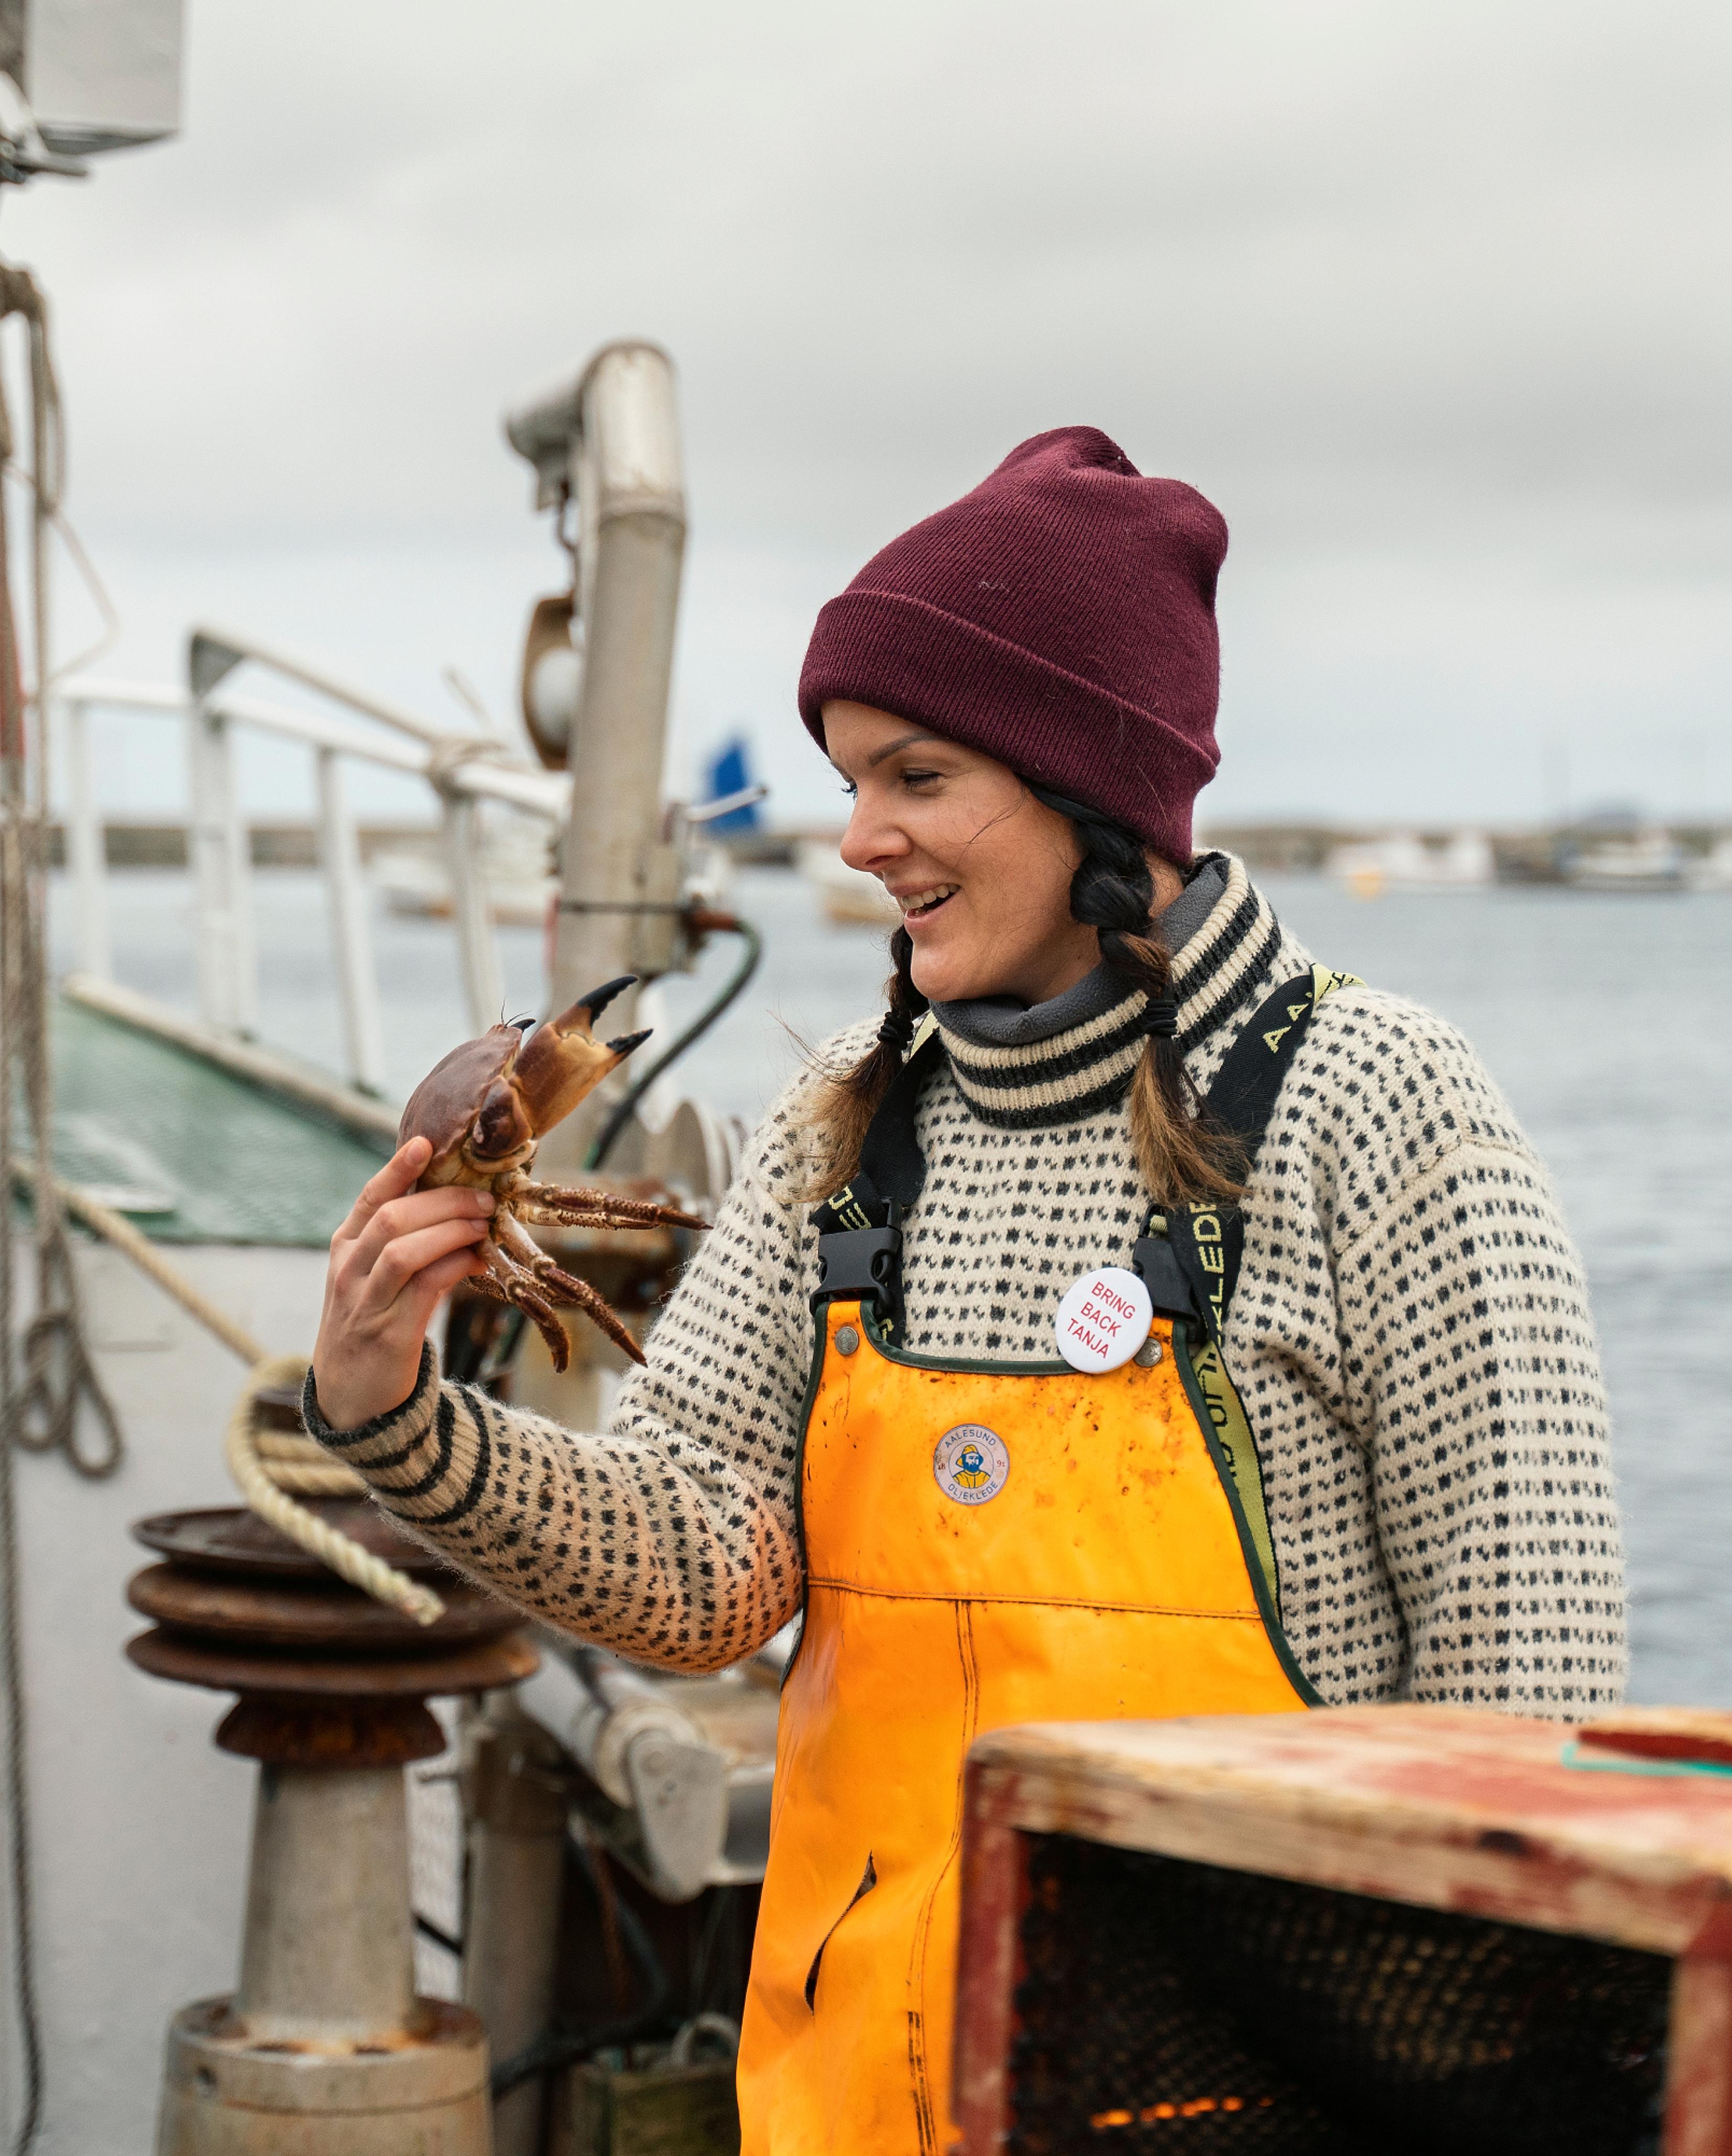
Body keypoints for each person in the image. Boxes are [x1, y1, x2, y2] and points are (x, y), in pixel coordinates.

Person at [306, 427, 1627, 2155]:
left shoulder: (1377, 1105)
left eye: (914, 778)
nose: (857, 839)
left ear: (1088, 788)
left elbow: (1526, 1696)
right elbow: (704, 1571)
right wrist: (393, 1412)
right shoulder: (846, 1117)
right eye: (852, 779)